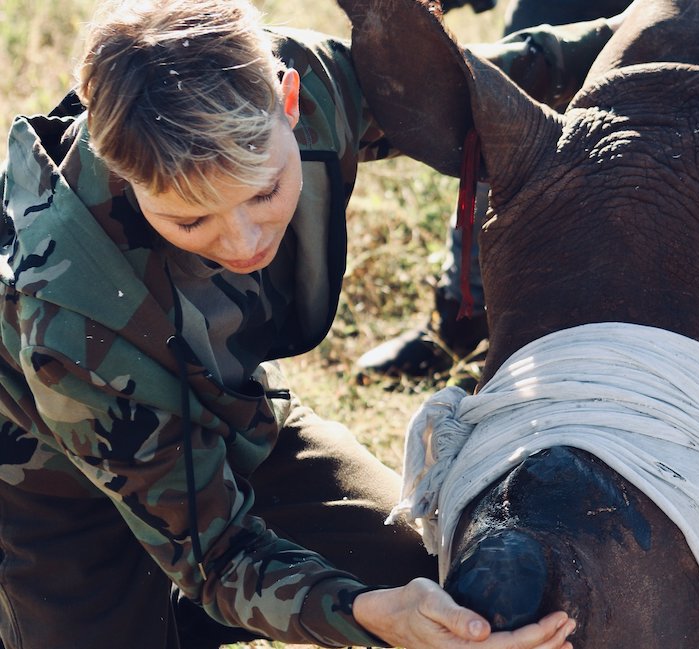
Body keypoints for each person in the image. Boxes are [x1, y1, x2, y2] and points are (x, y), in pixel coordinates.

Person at [0, 1, 623, 647]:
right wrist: (361, 612)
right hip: (56, 480)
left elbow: (479, 88)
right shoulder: (67, 312)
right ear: (119, 168)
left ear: (288, 100)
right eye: (191, 221)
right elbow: (215, 557)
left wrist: (660, 27)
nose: (242, 240)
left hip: (229, 411)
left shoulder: (302, 82)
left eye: (264, 191)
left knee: (431, 583)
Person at [355, 0, 636, 378]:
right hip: (543, 33)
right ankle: (462, 326)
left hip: (649, 38)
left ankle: (594, 352)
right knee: (495, 163)